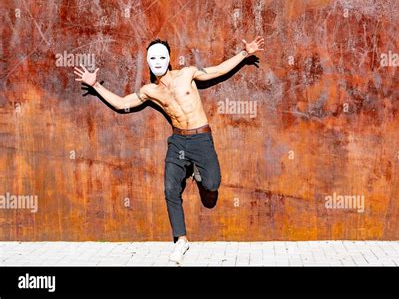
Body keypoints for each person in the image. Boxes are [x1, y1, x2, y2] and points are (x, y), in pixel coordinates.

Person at [74, 36, 265, 263]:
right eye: (152, 57)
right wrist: (95, 85)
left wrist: (244, 54)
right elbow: (121, 103)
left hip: (201, 137)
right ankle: (181, 241)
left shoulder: (187, 74)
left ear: (169, 59)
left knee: (212, 184)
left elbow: (218, 71)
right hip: (178, 142)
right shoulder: (149, 91)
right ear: (148, 61)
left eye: (161, 56)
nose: (157, 61)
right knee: (170, 189)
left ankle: (197, 171)